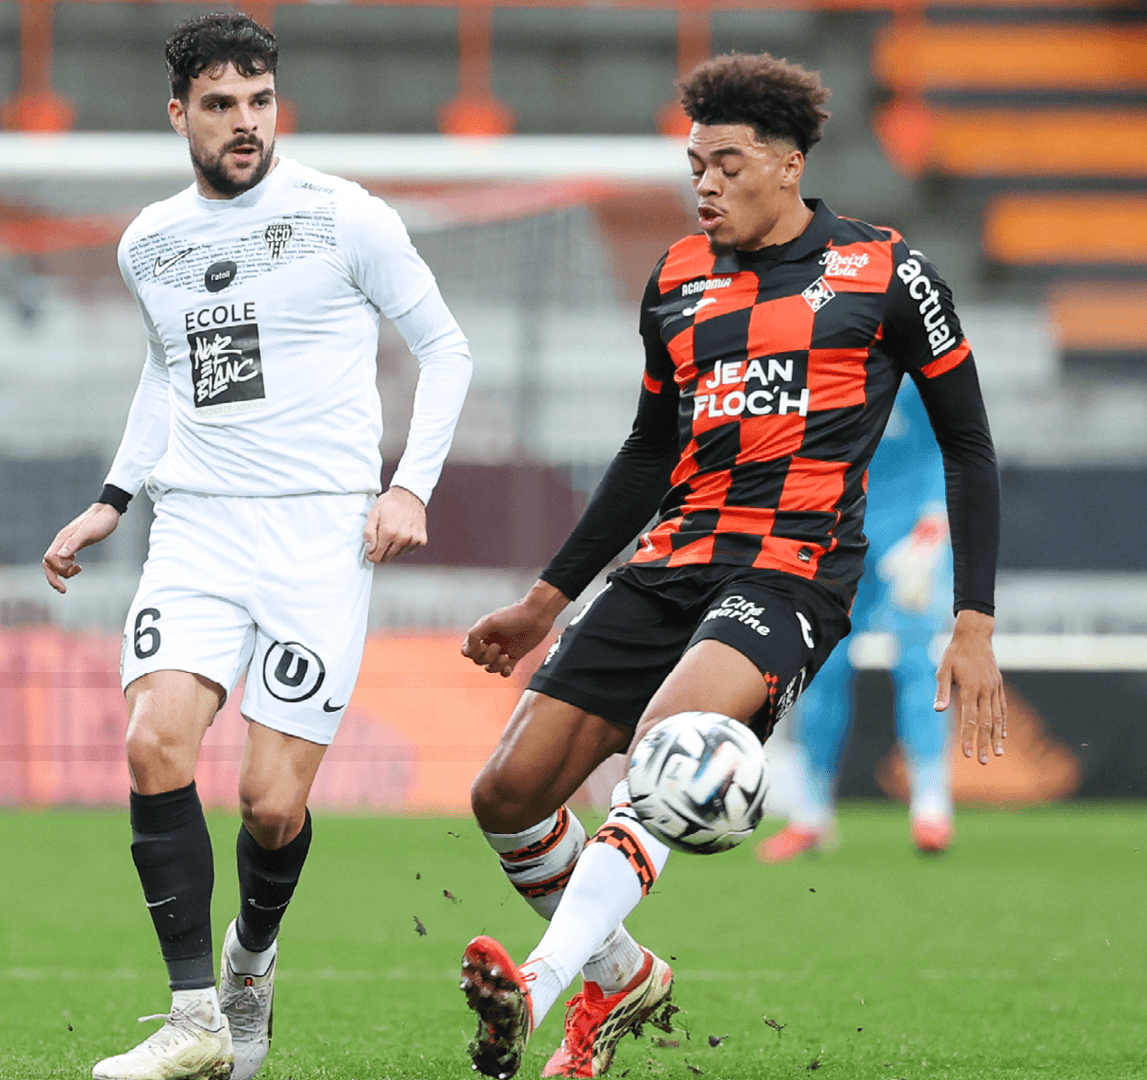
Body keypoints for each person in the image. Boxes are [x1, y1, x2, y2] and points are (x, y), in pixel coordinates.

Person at [455, 53, 1004, 1080]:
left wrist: (973, 621)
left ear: (790, 165)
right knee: (507, 796)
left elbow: (969, 446)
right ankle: (622, 977)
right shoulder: (676, 279)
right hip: (670, 563)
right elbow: (648, 452)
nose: (704, 185)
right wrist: (546, 598)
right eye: (695, 166)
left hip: (791, 573)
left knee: (662, 756)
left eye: (728, 165)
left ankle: (537, 987)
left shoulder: (888, 272)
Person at [41, 14, 472, 1080]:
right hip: (198, 524)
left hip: (321, 531)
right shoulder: (150, 242)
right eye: (222, 104)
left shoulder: (344, 216)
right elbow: (169, 372)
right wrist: (112, 497)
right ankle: (193, 1017)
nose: (246, 123)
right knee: (154, 742)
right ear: (178, 112)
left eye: (261, 102)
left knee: (273, 806)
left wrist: (410, 484)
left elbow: (445, 347)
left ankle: (250, 959)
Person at [757, 381, 958, 861]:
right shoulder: (817, 369)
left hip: (908, 532)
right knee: (820, 667)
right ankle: (811, 815)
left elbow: (949, 439)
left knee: (918, 658)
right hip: (837, 532)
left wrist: (935, 516)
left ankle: (932, 806)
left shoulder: (909, 370)